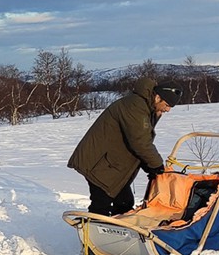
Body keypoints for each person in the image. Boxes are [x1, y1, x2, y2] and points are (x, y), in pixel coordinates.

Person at [67, 78, 181, 216]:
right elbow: (140, 141)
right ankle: (92, 233)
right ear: (157, 97)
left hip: (111, 163)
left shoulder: (146, 107)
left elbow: (139, 139)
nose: (168, 110)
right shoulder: (135, 106)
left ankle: (117, 232)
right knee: (101, 203)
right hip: (98, 163)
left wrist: (148, 165)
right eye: (167, 105)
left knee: (124, 202)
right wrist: (156, 165)